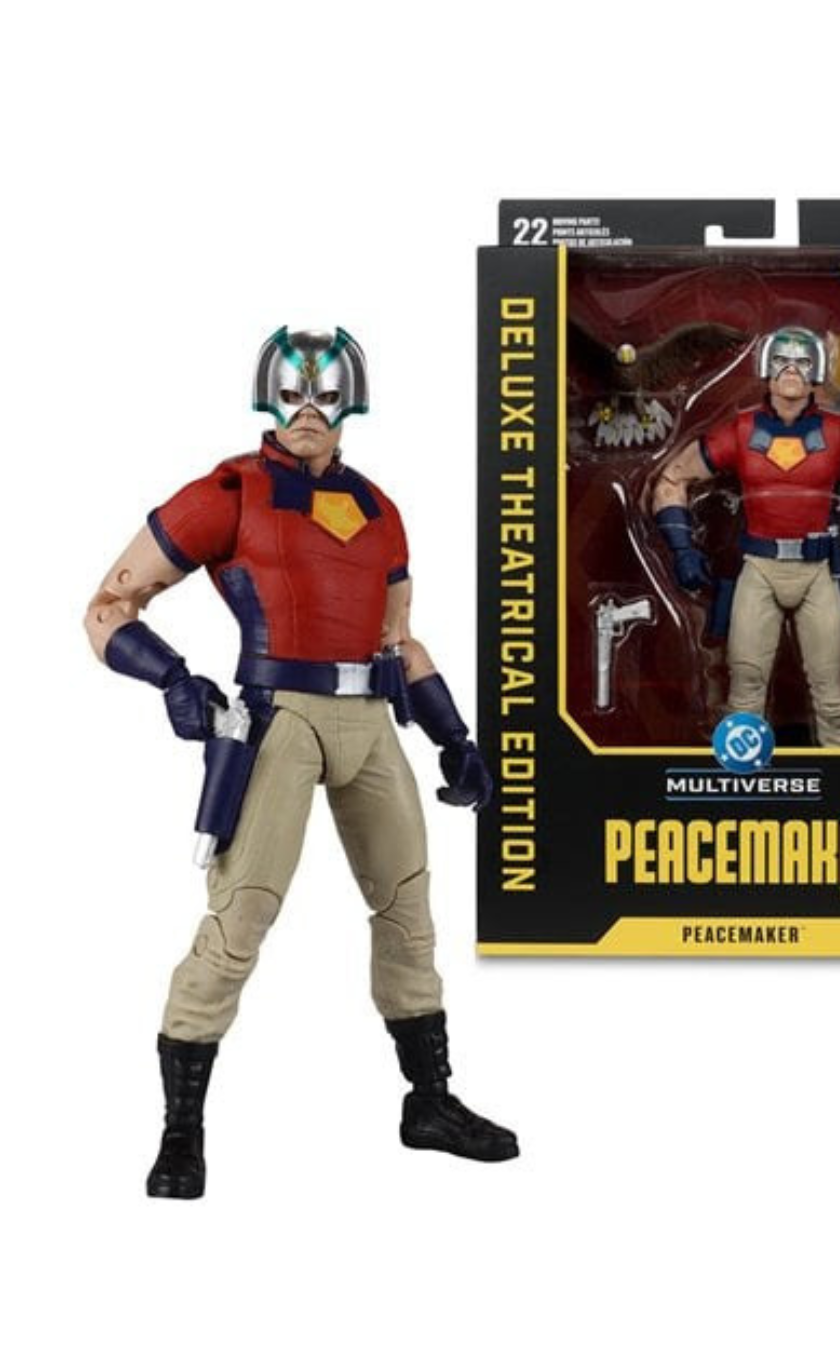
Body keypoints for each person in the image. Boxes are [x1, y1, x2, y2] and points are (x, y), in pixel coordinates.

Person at [85, 325, 518, 1198]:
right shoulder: (230, 491)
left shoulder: (379, 508)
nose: (308, 408)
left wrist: (455, 739)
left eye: (325, 393)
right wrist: (172, 678)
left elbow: (400, 640)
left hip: (370, 720)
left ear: (352, 400)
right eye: (292, 393)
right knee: (239, 919)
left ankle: (430, 1103)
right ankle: (181, 1133)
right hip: (277, 718)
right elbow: (107, 607)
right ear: (268, 397)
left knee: (408, 910)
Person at [652, 326, 840, 746]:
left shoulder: (839, 431)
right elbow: (673, 479)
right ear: (765, 367)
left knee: (831, 692)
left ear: (817, 370)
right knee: (745, 689)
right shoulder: (740, 431)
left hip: (817, 571)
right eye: (781, 359)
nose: (792, 369)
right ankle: (739, 770)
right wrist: (682, 548)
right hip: (759, 569)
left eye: (802, 360)